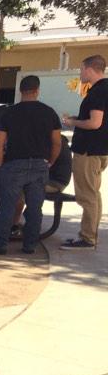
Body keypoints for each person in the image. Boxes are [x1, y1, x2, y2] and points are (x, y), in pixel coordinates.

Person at [0, 75, 61, 255]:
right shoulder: (49, 112)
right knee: (35, 208)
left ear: (20, 91)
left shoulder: (9, 113)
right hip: (40, 164)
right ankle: (29, 245)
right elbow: (56, 142)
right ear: (37, 90)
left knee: (6, 207)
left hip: (14, 164)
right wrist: (51, 161)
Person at [60, 54, 107, 250]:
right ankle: (89, 234)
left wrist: (72, 122)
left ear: (89, 69)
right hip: (100, 149)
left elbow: (95, 123)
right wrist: (78, 118)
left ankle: (87, 237)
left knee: (86, 195)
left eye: (81, 69)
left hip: (88, 151)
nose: (80, 73)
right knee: (93, 194)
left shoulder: (97, 92)